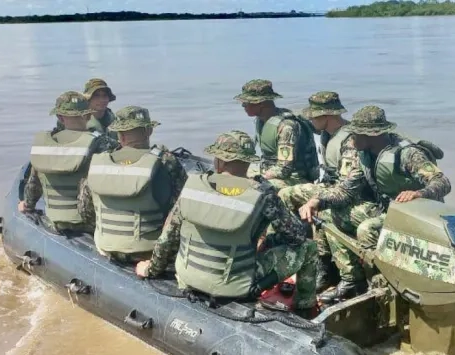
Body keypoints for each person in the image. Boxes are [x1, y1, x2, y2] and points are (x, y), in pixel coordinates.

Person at [134, 131, 317, 316]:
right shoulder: (264, 195)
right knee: (309, 248)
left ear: (219, 161)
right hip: (235, 286)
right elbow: (297, 237)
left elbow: (167, 239)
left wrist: (150, 269)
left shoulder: (192, 188)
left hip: (187, 279)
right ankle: (305, 309)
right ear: (248, 162)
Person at [299, 105, 452, 302]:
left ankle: (380, 285)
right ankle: (351, 278)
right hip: (388, 211)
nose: (350, 141)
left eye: (355, 135)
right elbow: (346, 190)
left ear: (371, 136)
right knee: (327, 214)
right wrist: (317, 201)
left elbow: (442, 182)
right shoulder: (364, 156)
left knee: (367, 229)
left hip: (420, 217)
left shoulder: (406, 154)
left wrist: (418, 193)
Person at [77, 106, 188, 264]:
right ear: (149, 131)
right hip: (149, 253)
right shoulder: (166, 162)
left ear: (120, 135)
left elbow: (85, 211)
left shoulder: (99, 163)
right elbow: (181, 210)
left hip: (105, 247)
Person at [278, 91, 359, 291]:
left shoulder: (349, 140)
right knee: (284, 195)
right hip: (328, 185)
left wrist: (319, 198)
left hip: (345, 192)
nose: (311, 120)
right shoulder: (326, 134)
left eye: (314, 116)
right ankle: (290, 248)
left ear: (327, 116)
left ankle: (325, 269)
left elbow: (347, 185)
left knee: (322, 212)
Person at [19, 91, 117, 234]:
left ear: (60, 117)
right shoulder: (102, 143)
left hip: (54, 220)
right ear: (88, 115)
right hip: (90, 224)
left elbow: (34, 185)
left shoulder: (45, 146)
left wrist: (26, 205)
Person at [234, 79, 320, 190]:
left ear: (261, 104)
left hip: (294, 179)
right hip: (269, 170)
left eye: (246, 103)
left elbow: (284, 169)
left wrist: (259, 178)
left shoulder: (286, 127)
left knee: (252, 187)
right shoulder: (261, 121)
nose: (243, 106)